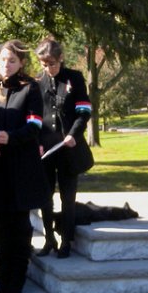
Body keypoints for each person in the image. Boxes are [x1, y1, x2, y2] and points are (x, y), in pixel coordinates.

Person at [0, 40, 48, 293]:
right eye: (3, 60)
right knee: (0, 224)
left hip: (21, 168)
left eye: (12, 60)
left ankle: (16, 277)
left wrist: (10, 138)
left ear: (21, 63)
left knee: (19, 226)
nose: (6, 64)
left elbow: (34, 126)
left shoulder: (30, 88)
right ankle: (3, 268)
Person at [34, 38, 94, 259]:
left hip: (69, 147)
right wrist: (38, 143)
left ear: (60, 59)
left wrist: (73, 134)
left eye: (52, 64)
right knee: (45, 196)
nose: (48, 69)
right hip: (47, 149)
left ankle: (66, 240)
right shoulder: (37, 81)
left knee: (68, 197)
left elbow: (84, 111)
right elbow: (35, 116)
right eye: (44, 64)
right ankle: (49, 238)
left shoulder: (74, 78)